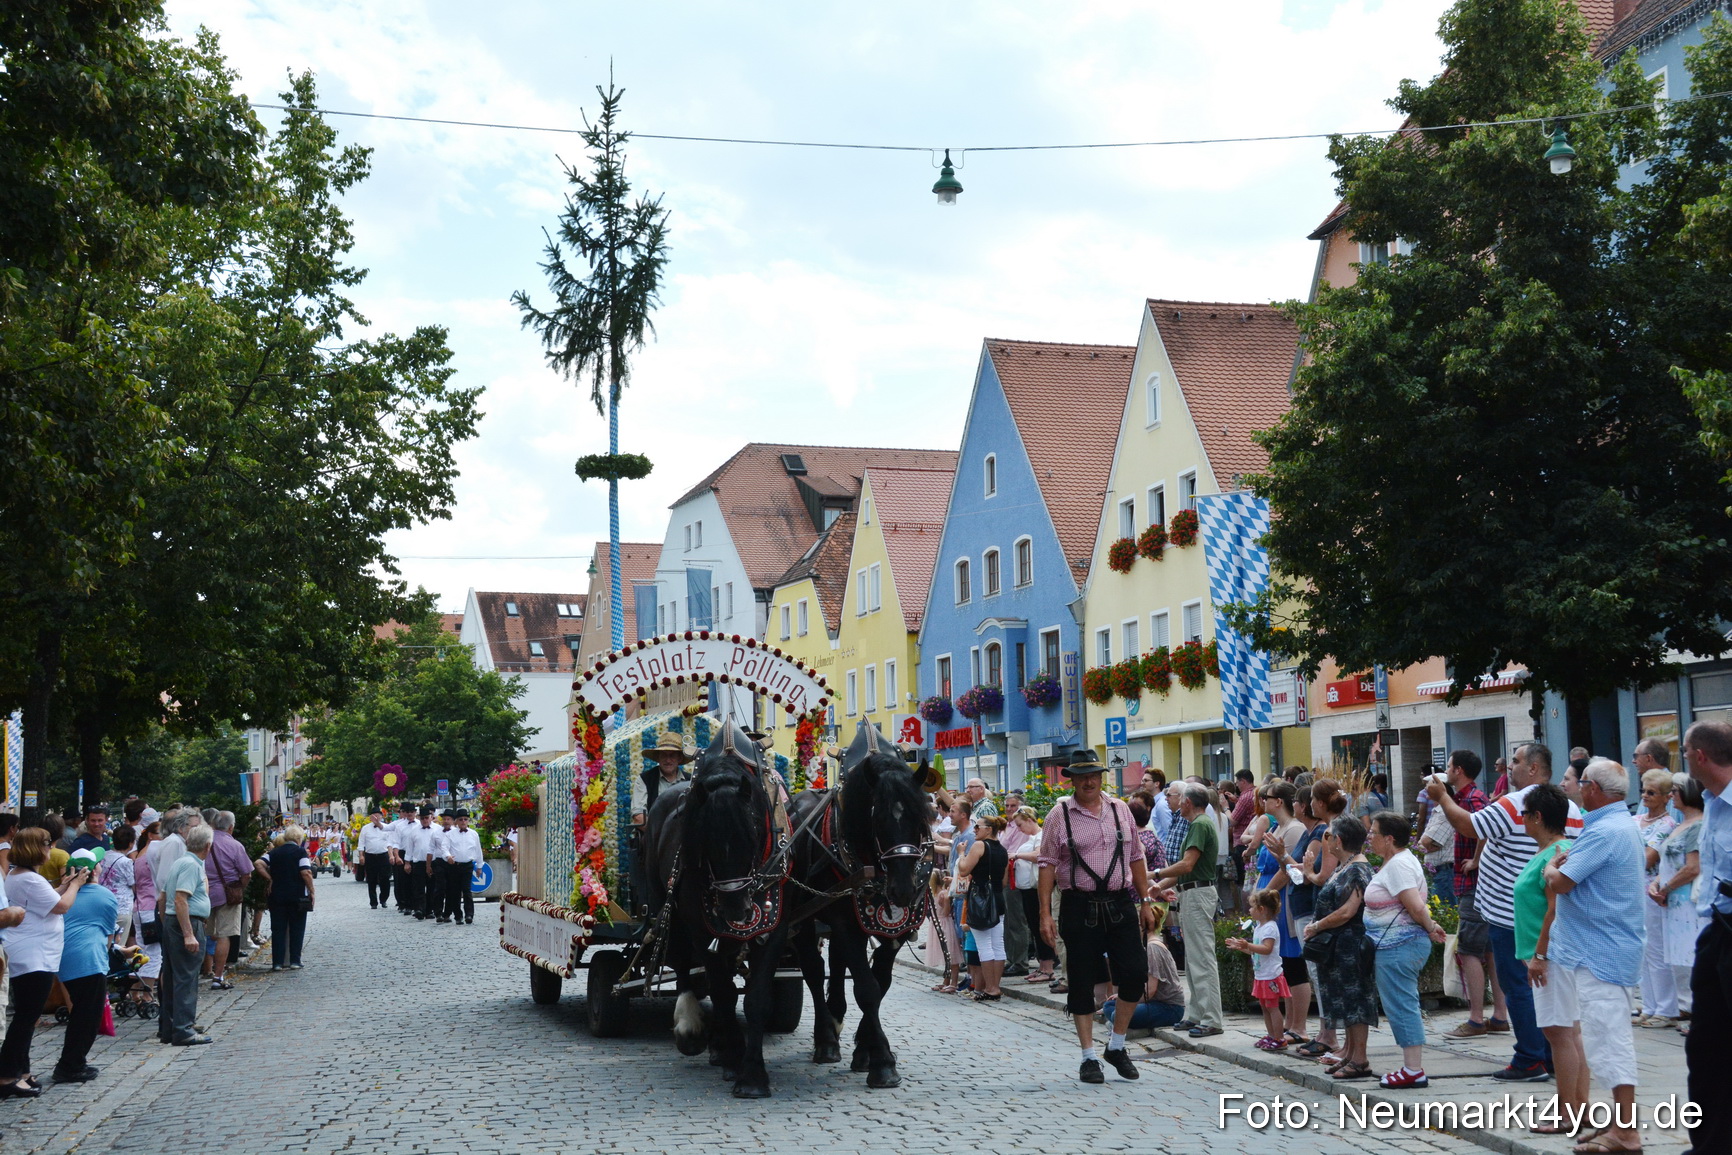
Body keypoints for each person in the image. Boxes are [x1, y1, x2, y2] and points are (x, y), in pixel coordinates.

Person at [1427, 741, 1580, 1081]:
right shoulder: (1571, 808)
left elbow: (1469, 826)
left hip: (1513, 914)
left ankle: (1530, 1058)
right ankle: (1552, 1054)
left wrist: (1442, 797)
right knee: (1546, 989)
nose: (1510, 767)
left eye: (1516, 761)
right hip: (1547, 913)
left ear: (1535, 769)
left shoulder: (1516, 802)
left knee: (1519, 987)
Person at [1539, 759, 1645, 1153]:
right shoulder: (1613, 825)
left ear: (1594, 789)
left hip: (1602, 951)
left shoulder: (1606, 831)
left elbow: (1562, 881)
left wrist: (1550, 865)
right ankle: (1620, 1126)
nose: (1578, 789)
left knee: (1608, 1039)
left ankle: (1626, 1131)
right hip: (1600, 947)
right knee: (1604, 1037)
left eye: (1581, 782)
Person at [1036, 751, 1160, 1083]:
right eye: (1082, 776)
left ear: (1101, 777)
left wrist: (1145, 901)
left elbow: (1136, 857)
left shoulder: (1121, 810)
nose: (1089, 781)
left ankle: (1116, 1046)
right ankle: (1088, 1056)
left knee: (1134, 973)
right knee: (1081, 980)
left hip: (1120, 902)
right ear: (1072, 779)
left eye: (1094, 774)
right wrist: (1045, 913)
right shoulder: (1058, 815)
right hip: (1078, 904)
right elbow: (1046, 865)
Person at [1511, 783, 1579, 1135]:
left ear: (1537, 817)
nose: (1521, 820)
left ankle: (1568, 1113)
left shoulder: (1557, 853)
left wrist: (1539, 955)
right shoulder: (1553, 851)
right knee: (1569, 1031)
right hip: (1551, 953)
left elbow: (1555, 911)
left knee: (1558, 1032)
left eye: (1524, 814)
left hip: (1551, 955)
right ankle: (1575, 1108)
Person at [1363, 811, 1448, 1089]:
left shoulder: (1399, 865)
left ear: (1389, 839)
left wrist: (1431, 926)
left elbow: (1414, 905)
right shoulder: (1396, 862)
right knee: (1399, 1002)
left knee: (1402, 1004)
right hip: (1394, 945)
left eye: (1373, 833)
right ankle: (1411, 1066)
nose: (1370, 837)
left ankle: (1413, 1069)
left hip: (1400, 945)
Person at [0, 829, 82, 1096]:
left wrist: (64, 885)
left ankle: (22, 1071)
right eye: (47, 844)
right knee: (26, 1017)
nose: (50, 848)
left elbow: (44, 899)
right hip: (34, 954)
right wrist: (76, 886)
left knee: (27, 1015)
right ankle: (8, 1075)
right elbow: (61, 906)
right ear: (37, 848)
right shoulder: (29, 879)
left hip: (32, 952)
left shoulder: (20, 875)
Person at [1683, 722, 1732, 1155]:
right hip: (1717, 929)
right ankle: (1710, 1144)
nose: (1682, 757)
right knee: (1706, 1045)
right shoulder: (1713, 802)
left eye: (1684, 751)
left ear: (1700, 756)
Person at [1437, 749, 1508, 1040]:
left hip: (1474, 885)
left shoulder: (1474, 798)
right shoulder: (1464, 798)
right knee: (1488, 951)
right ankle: (1500, 1015)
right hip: (1473, 884)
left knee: (1469, 951)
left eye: (1450, 766)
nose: (1447, 770)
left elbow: (1484, 830)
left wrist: (1477, 860)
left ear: (1460, 770)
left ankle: (1476, 1018)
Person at [1302, 815, 1376, 1079]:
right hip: (1338, 947)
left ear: (1339, 840)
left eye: (1329, 835)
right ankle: (1350, 1053)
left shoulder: (1357, 869)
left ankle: (1360, 1059)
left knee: (1355, 1002)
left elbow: (1347, 911)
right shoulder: (1345, 866)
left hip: (1350, 946)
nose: (1326, 839)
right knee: (1344, 1002)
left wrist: (1317, 926)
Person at [1151, 782, 1222, 1038]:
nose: (1176, 804)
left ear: (1188, 803)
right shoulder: (1198, 824)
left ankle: (1211, 1018)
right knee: (1194, 960)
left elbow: (1187, 865)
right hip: (1191, 891)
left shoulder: (1200, 824)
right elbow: (1184, 869)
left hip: (1198, 893)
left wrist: (1155, 874)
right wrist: (1158, 886)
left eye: (1179, 799)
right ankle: (1197, 1014)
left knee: (1202, 958)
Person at [53, 849, 119, 1083]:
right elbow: (110, 935)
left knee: (80, 1012)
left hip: (63, 960)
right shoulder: (104, 895)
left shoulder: (61, 895)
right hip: (89, 960)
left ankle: (72, 1062)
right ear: (93, 871)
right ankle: (70, 1065)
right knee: (87, 1017)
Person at [1651, 774, 1704, 1028]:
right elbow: (1668, 862)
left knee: (1689, 953)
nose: (1671, 795)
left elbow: (1693, 867)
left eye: (1675, 791)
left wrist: (1667, 887)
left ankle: (1694, 1008)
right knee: (1674, 954)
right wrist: (1658, 882)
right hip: (1671, 899)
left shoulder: (1697, 826)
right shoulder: (1679, 825)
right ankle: (1684, 1006)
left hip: (1685, 900)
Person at [1634, 764, 1680, 1027]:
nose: (1646, 796)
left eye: (1652, 792)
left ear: (1665, 797)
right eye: (1643, 791)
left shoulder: (1667, 824)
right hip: (1633, 888)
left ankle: (1666, 1008)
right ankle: (1649, 1005)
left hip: (1651, 889)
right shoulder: (1636, 820)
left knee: (1656, 949)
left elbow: (1648, 857)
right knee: (1642, 949)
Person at [160, 823, 213, 1046]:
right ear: (208, 846)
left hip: (174, 923)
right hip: (187, 922)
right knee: (186, 978)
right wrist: (188, 934)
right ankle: (183, 1029)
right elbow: (181, 899)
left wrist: (167, 924)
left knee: (174, 976)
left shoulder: (181, 862)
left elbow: (162, 897)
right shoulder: (192, 865)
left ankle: (171, 1026)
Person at [1098, 902, 1185, 1030]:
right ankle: (1123, 1024)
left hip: (1168, 1007)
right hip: (1153, 1003)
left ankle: (1122, 1026)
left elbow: (1150, 990)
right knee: (1109, 1005)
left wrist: (1127, 1001)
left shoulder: (1153, 948)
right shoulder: (1146, 946)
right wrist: (1123, 998)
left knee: (1119, 1014)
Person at [1226, 888, 1291, 1050]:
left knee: (1272, 1007)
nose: (1249, 910)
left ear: (1261, 909)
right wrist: (1242, 947)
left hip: (1271, 975)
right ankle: (1271, 1035)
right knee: (1264, 1006)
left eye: (1252, 907)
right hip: (1261, 974)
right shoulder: (1259, 927)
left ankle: (1279, 1038)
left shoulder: (1270, 928)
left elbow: (1267, 948)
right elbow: (1255, 951)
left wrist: (1248, 944)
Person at [956, 814, 1008, 1000]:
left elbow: (963, 870)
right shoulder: (1002, 849)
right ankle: (995, 987)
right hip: (997, 898)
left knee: (984, 945)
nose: (974, 830)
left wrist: (961, 853)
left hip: (981, 900)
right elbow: (1003, 880)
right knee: (998, 944)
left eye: (977, 826)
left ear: (989, 829)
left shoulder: (979, 845)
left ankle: (991, 987)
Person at [204, 811, 252, 991]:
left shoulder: (203, 841)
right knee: (224, 935)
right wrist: (240, 886)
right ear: (231, 827)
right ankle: (218, 976)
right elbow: (247, 873)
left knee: (202, 933)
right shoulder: (235, 845)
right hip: (227, 896)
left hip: (204, 892)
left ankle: (198, 971)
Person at [257, 824, 314, 970]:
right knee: (297, 928)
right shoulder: (300, 852)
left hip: (276, 895)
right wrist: (311, 890)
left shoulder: (274, 852)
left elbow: (258, 864)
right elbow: (305, 872)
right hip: (297, 895)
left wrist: (269, 879)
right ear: (298, 838)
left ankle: (277, 962)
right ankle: (295, 960)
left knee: (278, 929)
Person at [1009, 809, 1055, 983]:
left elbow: (1039, 855)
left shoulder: (1040, 836)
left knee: (1040, 926)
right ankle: (1042, 965)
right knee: (1034, 928)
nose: (1019, 829)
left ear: (1029, 820)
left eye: (1020, 824)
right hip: (1027, 889)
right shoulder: (1030, 839)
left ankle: (1048, 967)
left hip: (1035, 888)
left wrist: (1017, 855)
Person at [633, 732, 695, 825]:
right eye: (664, 755)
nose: (668, 760)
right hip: (654, 836)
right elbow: (639, 818)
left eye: (672, 755)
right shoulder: (645, 779)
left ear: (679, 758)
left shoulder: (690, 781)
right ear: (658, 757)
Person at [445, 809, 482, 925]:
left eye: (465, 819)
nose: (463, 821)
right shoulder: (450, 834)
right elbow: (444, 847)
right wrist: (448, 856)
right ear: (456, 822)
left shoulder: (473, 834)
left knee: (467, 890)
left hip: (467, 865)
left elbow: (478, 850)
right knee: (455, 891)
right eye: (460, 819)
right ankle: (458, 915)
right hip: (454, 865)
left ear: (468, 821)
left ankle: (469, 914)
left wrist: (479, 866)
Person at [404, 806, 438, 919]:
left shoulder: (437, 829)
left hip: (433, 862)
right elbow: (409, 848)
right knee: (418, 887)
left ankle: (429, 910)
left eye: (426, 818)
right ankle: (419, 909)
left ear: (431, 817)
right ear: (419, 818)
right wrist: (407, 862)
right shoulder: (414, 831)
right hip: (418, 862)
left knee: (431, 887)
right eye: (422, 818)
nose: (424, 820)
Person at [357, 811, 392, 909]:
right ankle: (373, 902)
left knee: (385, 878)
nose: (376, 817)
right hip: (370, 856)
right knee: (371, 879)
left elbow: (390, 843)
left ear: (381, 816)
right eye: (374, 815)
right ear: (370, 817)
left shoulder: (386, 827)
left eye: (378, 815)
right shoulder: (365, 828)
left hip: (383, 855)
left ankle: (383, 899)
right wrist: (361, 855)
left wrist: (391, 855)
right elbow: (361, 843)